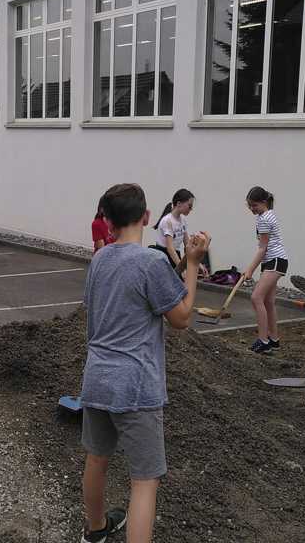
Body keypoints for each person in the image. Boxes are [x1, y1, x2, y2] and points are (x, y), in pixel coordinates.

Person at [79, 183, 210, 543]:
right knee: (144, 479)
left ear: (107, 220)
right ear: (147, 217)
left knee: (96, 458)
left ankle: (95, 531)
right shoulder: (151, 262)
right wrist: (194, 265)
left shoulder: (99, 259)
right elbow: (181, 318)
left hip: (96, 377)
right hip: (135, 384)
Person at [242, 186, 288, 355]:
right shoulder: (266, 215)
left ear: (263, 202)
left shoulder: (264, 219)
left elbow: (262, 248)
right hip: (275, 261)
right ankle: (274, 339)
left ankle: (263, 340)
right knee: (268, 301)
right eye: (250, 206)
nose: (252, 209)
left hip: (275, 261)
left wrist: (250, 269)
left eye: (254, 205)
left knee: (256, 297)